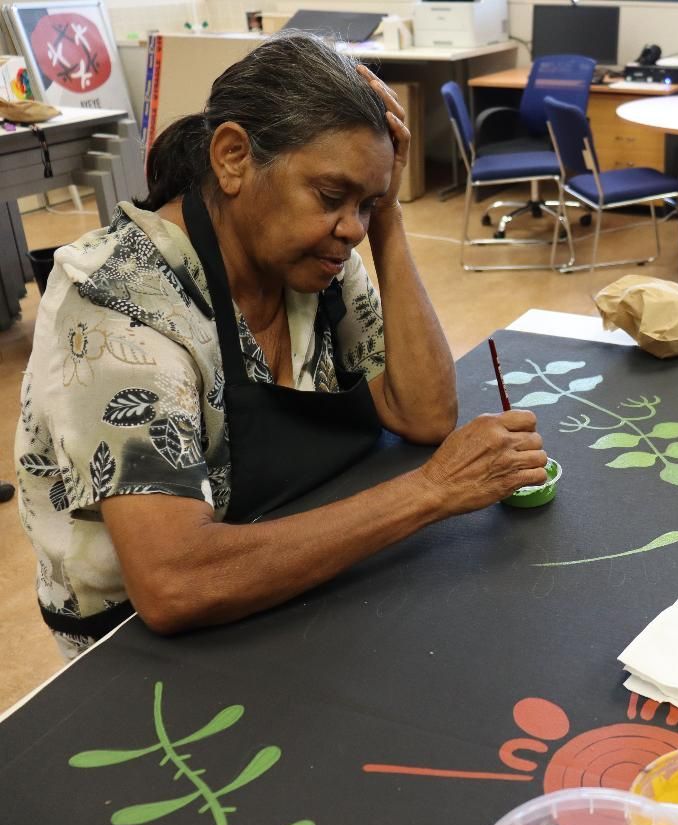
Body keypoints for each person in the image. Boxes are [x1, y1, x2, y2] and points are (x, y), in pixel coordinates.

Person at [13, 33, 548, 658]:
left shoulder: (314, 256)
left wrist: (389, 216)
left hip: (284, 569)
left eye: (366, 204)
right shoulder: (119, 302)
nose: (351, 229)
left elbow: (422, 412)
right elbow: (173, 582)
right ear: (234, 157)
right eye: (331, 196)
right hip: (138, 647)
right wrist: (431, 491)